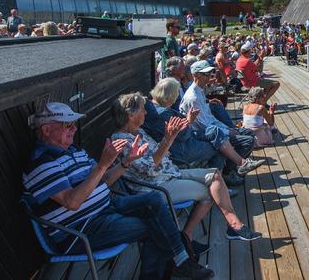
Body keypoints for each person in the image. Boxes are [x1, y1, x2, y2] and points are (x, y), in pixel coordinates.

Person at [23, 102, 212, 279]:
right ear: (46, 130)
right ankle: (179, 262)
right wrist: (102, 165)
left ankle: (180, 261)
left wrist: (125, 162)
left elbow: (104, 181)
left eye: (73, 124)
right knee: (154, 227)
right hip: (82, 229)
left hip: (106, 208)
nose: (73, 128)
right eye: (67, 125)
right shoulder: (41, 164)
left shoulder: (75, 151)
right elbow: (73, 202)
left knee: (154, 199)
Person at [111, 93, 263, 247]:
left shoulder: (139, 132)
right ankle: (187, 237)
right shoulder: (121, 141)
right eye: (142, 109)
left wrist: (173, 135)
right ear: (130, 115)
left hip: (170, 173)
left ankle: (234, 226)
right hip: (155, 187)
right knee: (209, 193)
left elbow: (162, 155)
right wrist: (168, 138)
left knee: (215, 175)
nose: (146, 112)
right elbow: (150, 168)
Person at [179, 61, 265, 180]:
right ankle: (229, 172)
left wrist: (229, 129)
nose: (210, 76)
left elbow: (209, 118)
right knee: (247, 141)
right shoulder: (193, 97)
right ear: (196, 75)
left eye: (210, 73)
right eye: (206, 74)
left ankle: (234, 168)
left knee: (248, 133)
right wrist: (227, 131)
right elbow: (204, 126)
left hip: (211, 129)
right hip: (202, 134)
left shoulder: (199, 91)